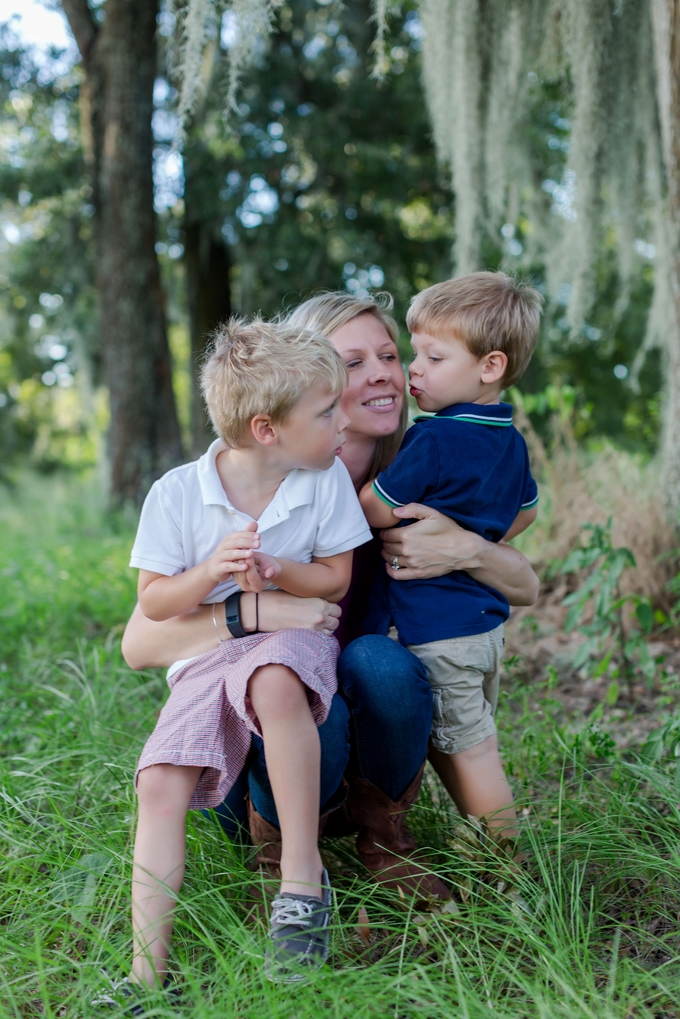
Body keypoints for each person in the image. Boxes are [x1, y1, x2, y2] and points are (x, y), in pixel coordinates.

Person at [120, 291, 540, 906]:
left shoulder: (427, 472)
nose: (381, 374)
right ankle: (285, 858)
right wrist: (254, 611)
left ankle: (384, 837)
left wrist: (466, 549)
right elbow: (139, 642)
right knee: (298, 689)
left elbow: (526, 584)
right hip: (260, 756)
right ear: (295, 385)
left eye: (390, 356)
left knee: (379, 662)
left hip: (367, 749)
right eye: (351, 363)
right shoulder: (254, 485)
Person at [119, 318, 373, 998]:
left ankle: (299, 883)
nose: (342, 423)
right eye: (326, 411)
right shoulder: (176, 492)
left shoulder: (322, 481)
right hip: (205, 657)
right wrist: (210, 572)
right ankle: (146, 977)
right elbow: (156, 601)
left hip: (289, 644)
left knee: (274, 681)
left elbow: (334, 580)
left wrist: (279, 567)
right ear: (268, 428)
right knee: (160, 781)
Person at [360, 272, 541, 840]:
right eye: (414, 354)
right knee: (477, 740)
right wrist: (472, 529)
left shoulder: (434, 439)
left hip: (438, 630)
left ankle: (502, 870)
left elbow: (374, 509)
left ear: (489, 367)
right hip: (484, 627)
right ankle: (492, 847)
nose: (414, 370)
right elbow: (528, 512)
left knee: (473, 753)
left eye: (433, 358)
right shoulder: (509, 439)